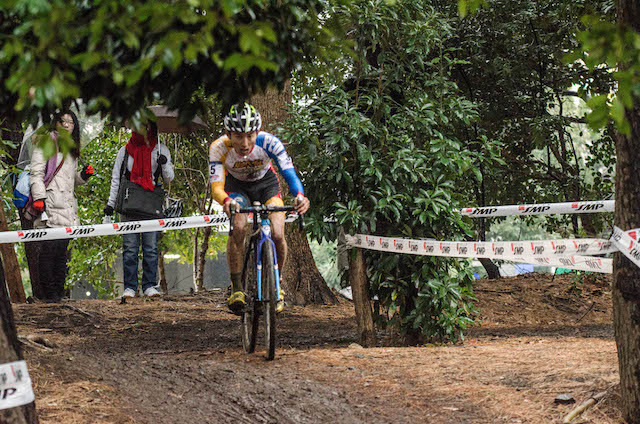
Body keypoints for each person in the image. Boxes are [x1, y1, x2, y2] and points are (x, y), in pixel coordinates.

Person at [209, 103, 310, 314]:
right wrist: (226, 201)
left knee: (278, 232)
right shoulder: (219, 148)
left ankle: (277, 285)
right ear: (228, 134)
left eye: (250, 136)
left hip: (267, 185)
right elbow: (217, 187)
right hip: (237, 189)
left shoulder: (269, 142)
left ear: (257, 132)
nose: (245, 143)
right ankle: (237, 288)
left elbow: (289, 173)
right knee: (238, 227)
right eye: (238, 137)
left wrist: (300, 195)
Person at [104, 122, 174, 298]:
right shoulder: (125, 151)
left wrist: (163, 164)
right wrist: (110, 205)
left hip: (151, 205)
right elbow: (116, 178)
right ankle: (130, 287)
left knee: (150, 248)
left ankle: (149, 286)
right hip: (129, 204)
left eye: (146, 126)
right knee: (130, 248)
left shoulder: (161, 149)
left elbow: (169, 178)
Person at [29, 111, 94, 302]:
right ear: (55, 124)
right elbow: (36, 173)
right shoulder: (46, 143)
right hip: (49, 205)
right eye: (62, 121)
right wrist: (39, 198)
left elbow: (72, 181)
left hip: (67, 207)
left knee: (61, 253)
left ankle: (59, 293)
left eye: (70, 122)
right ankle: (49, 296)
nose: (66, 125)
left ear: (75, 126)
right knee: (49, 251)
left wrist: (84, 175)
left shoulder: (71, 149)